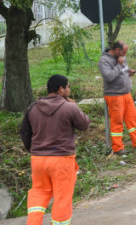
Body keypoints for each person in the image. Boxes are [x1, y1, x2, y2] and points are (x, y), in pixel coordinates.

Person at [21, 75, 90, 225]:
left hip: (38, 160)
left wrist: (34, 150)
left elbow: (25, 134)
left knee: (39, 193)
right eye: (68, 87)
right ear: (61, 89)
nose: (69, 89)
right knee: (62, 197)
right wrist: (76, 106)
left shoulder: (33, 107)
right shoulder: (69, 107)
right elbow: (84, 125)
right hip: (62, 161)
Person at [98, 41, 136, 155]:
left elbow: (123, 69)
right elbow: (109, 77)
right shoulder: (104, 60)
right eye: (124, 52)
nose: (125, 55)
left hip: (126, 94)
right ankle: (118, 148)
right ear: (117, 50)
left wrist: (129, 71)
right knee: (117, 122)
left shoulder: (121, 58)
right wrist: (119, 65)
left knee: (132, 119)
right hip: (114, 96)